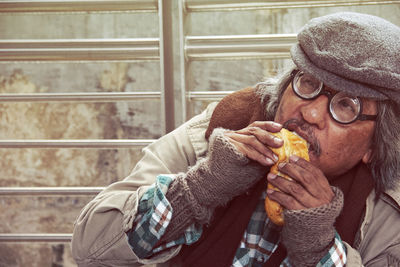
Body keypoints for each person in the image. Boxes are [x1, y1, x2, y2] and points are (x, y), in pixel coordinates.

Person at [71, 12, 400, 267]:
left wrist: (318, 248)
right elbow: (89, 249)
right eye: (308, 84)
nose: (311, 113)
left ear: (374, 146)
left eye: (346, 106)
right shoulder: (215, 129)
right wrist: (199, 188)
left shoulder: (388, 211)